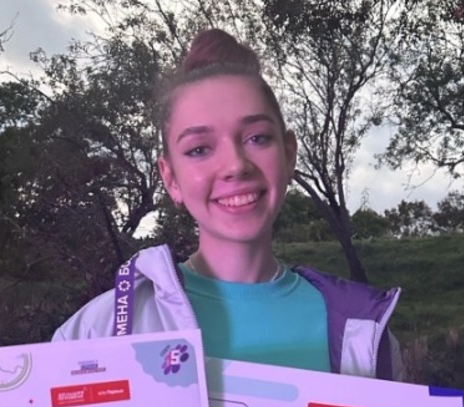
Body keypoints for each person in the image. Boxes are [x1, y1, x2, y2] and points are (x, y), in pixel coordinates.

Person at [53, 28, 403, 380]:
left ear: (289, 154)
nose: (235, 165)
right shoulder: (95, 335)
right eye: (199, 149)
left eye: (257, 138)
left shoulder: (367, 336)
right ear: (171, 178)